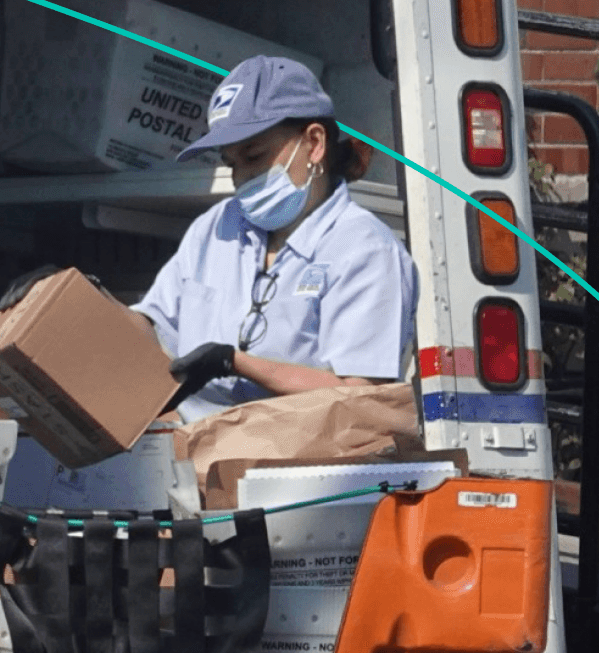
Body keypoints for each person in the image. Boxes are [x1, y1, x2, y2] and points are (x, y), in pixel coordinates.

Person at [129, 55, 417, 422]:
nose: (241, 178)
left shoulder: (365, 250)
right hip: (196, 460)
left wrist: (236, 363)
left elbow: (360, 397)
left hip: (305, 468)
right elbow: (152, 327)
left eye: (254, 155)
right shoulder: (215, 228)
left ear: (314, 143)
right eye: (232, 163)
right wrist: (78, 300)